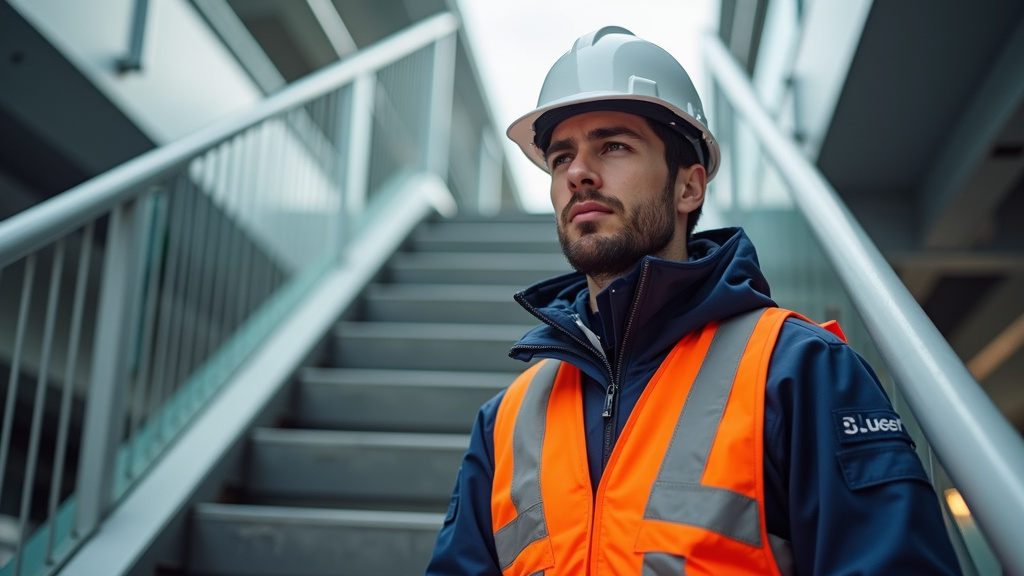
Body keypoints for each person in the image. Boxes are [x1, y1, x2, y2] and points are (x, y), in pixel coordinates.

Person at [426, 26, 962, 575]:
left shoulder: (798, 368)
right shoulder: (506, 422)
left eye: (613, 146)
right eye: (562, 158)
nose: (579, 173)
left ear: (690, 187)